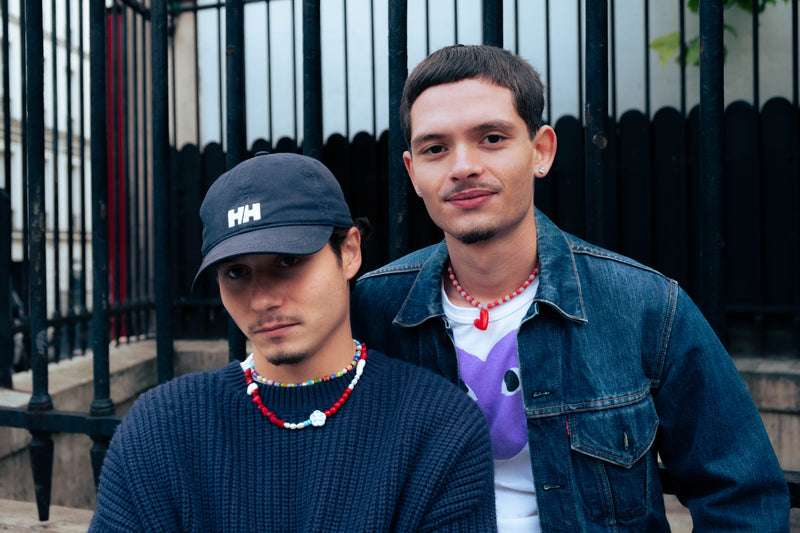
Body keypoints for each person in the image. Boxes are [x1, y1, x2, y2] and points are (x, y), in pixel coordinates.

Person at [351, 44, 790, 532]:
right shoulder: (372, 310)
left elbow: (742, 496)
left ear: (540, 151)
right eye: (436, 148)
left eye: (491, 138)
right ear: (413, 173)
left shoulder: (644, 306)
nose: (462, 166)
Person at [89, 152, 497, 532]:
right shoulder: (159, 428)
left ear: (350, 252)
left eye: (289, 261)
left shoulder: (438, 428)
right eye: (235, 273)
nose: (263, 299)